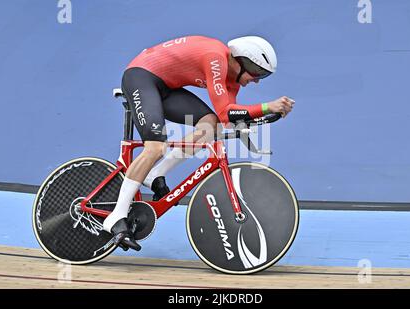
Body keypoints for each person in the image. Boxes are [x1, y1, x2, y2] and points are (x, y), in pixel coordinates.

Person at [103, 35, 295, 250]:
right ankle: (116, 216)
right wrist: (268, 107)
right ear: (242, 61)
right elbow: (227, 111)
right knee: (155, 147)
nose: (257, 79)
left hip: (166, 87)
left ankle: (154, 174)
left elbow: (226, 117)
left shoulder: (232, 79)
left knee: (209, 124)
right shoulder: (215, 58)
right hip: (141, 77)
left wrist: (259, 118)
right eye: (257, 72)